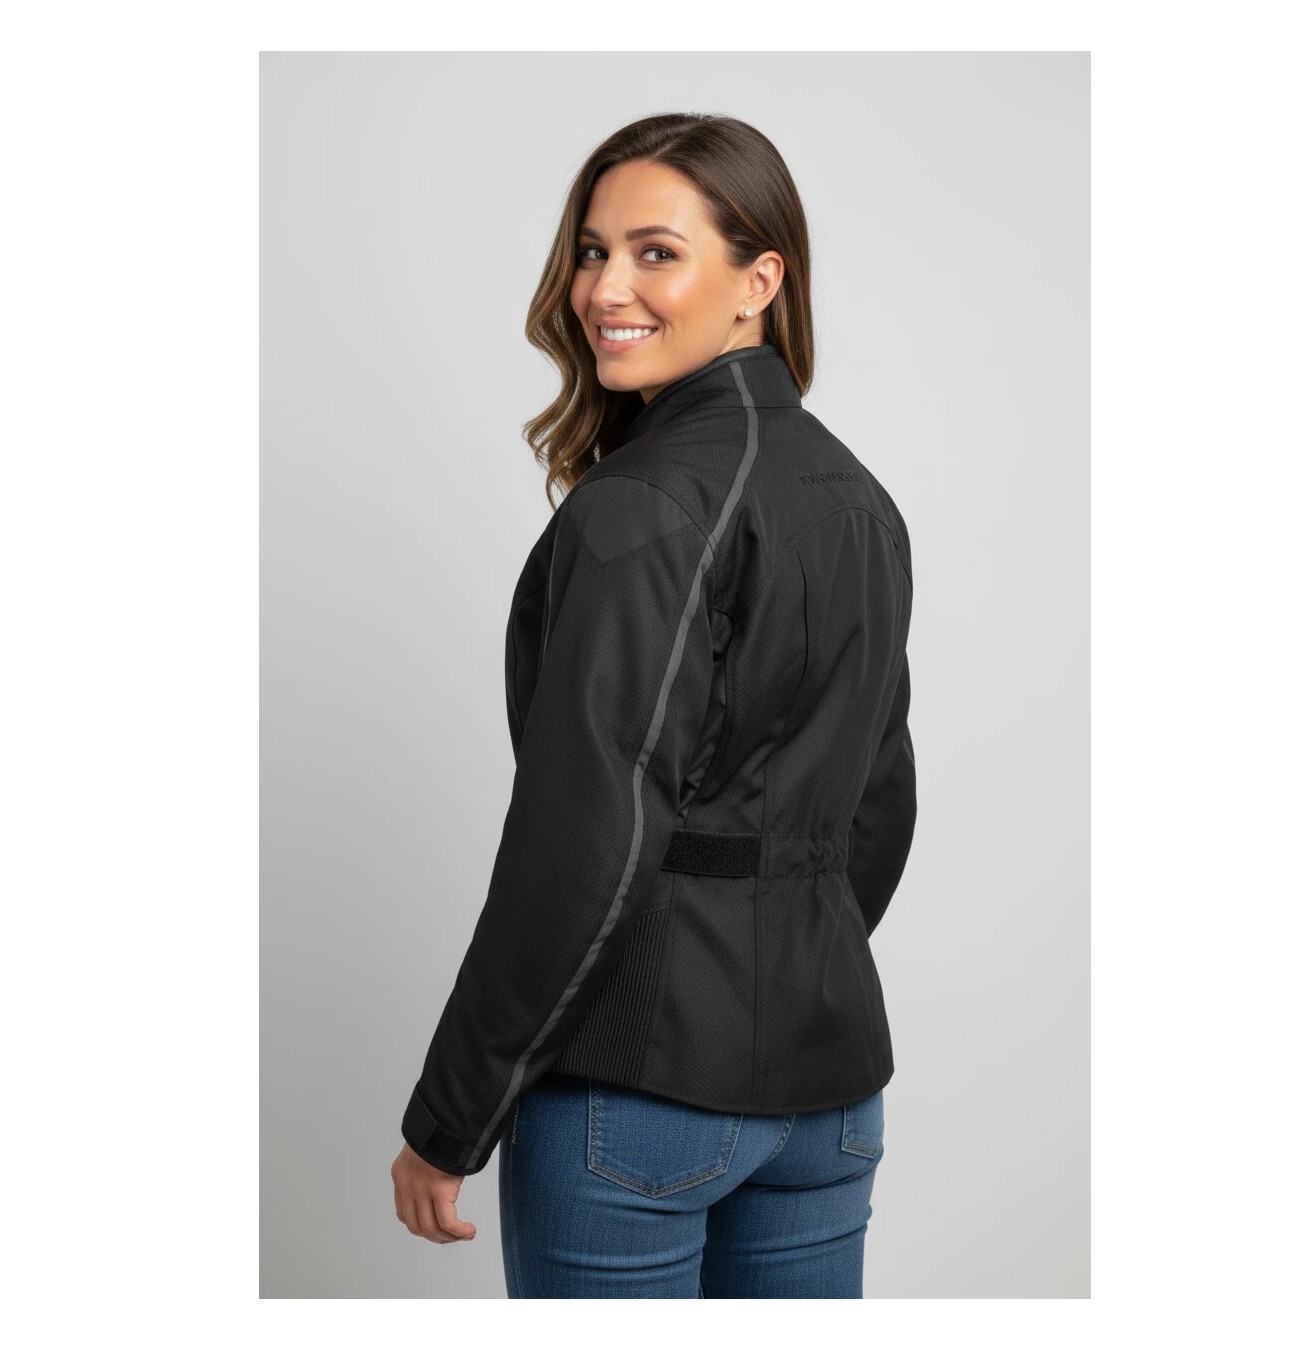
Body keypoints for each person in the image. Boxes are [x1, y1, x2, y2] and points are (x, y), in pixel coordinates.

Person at [391, 112, 917, 1299]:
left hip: (637, 1103)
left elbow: (586, 841)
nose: (602, 288)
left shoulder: (640, 506)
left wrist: (451, 1117)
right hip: (830, 1104)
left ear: (759, 281)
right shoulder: (860, 500)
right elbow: (879, 803)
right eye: (591, 251)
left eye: (655, 252)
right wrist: (782, 964)